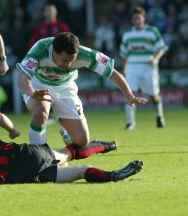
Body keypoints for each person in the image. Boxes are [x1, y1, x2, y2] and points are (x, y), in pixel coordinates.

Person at [0, 106, 143, 185]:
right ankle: (105, 146)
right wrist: (13, 131)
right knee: (67, 154)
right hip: (21, 156)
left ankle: (112, 175)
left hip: (11, 179)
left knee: (77, 172)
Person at [17, 32, 148, 146]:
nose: (68, 65)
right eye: (64, 60)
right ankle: (38, 155)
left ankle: (67, 133)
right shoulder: (40, 49)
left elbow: (113, 74)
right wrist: (33, 93)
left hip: (65, 87)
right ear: (55, 52)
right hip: (38, 84)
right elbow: (23, 79)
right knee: (41, 112)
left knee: (82, 140)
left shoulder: (86, 54)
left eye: (71, 61)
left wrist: (130, 96)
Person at [119, 6, 168, 131]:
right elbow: (124, 54)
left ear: (144, 19)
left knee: (154, 95)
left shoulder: (152, 31)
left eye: (139, 18)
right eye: (134, 18)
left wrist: (156, 58)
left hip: (148, 67)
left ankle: (159, 116)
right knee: (130, 95)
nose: (137, 20)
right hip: (133, 67)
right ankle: (130, 123)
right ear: (132, 20)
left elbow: (162, 48)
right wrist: (124, 69)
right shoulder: (128, 35)